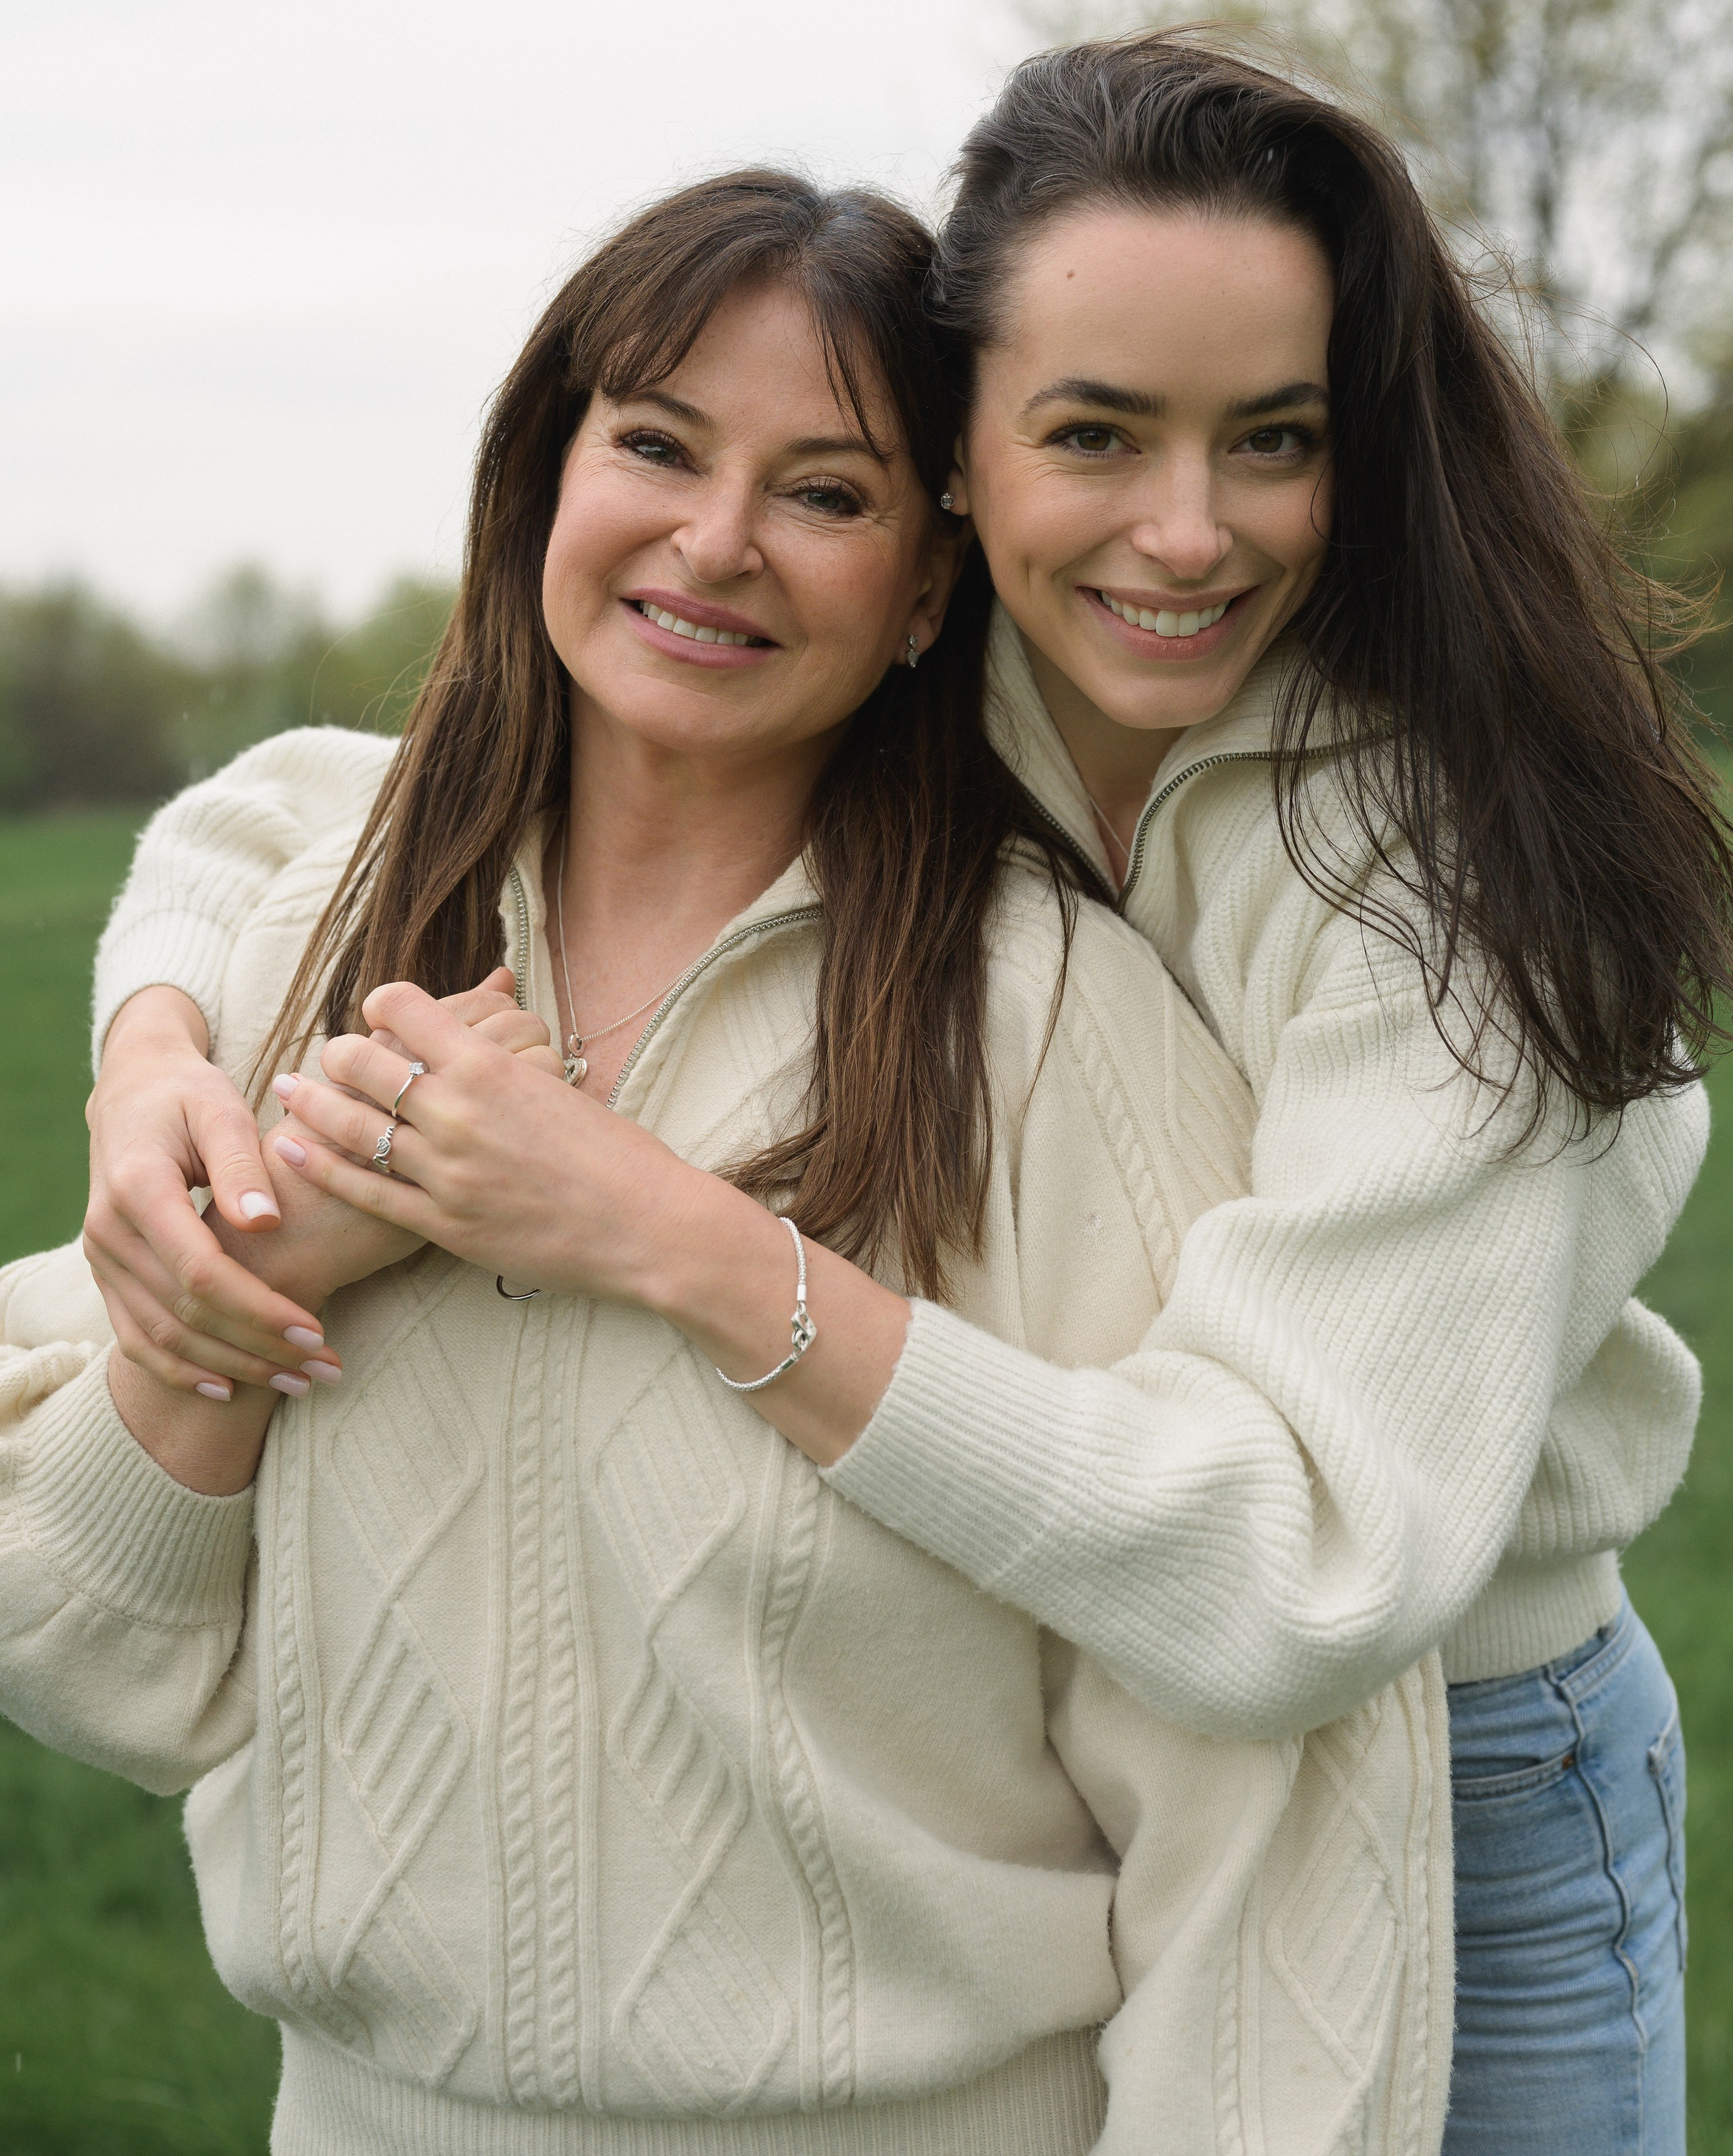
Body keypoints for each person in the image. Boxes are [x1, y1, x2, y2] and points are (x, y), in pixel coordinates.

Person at [0, 171, 1451, 2156]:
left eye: (830, 493)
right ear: (544, 483)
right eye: (659, 446)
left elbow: (1268, 1798)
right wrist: (263, 1271)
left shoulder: (1044, 1034)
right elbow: (96, 1661)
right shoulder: (306, 962)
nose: (716, 541)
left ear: (935, 583)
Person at [910, 32, 1715, 2155]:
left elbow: (1310, 1569)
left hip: (1460, 1768)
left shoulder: (1435, 859)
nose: (1189, 534)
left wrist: (752, 1303)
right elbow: (372, 801)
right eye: (1097, 434)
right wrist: (164, 1025)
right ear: (960, 448)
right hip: (1032, 1757)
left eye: (1271, 441)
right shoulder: (919, 701)